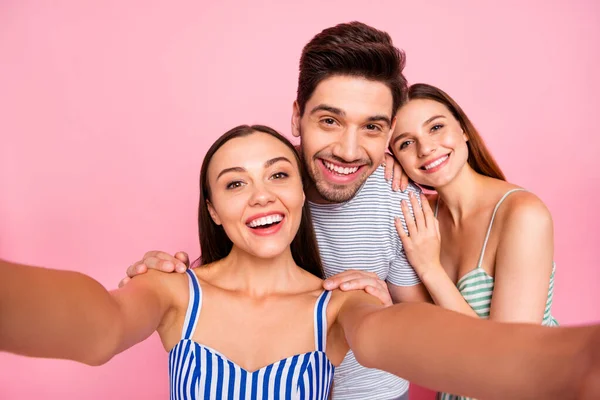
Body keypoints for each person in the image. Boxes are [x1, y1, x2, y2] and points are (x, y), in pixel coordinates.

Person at [2, 125, 600, 400]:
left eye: (279, 175)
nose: (262, 195)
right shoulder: (172, 290)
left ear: (300, 196)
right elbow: (99, 326)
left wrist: (576, 363)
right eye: (235, 184)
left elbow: (409, 341)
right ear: (212, 210)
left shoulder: (342, 302)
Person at [121, 21, 427, 400]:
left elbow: (421, 330)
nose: (349, 151)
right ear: (297, 116)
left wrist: (385, 308)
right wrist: (160, 280)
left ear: (390, 130)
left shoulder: (396, 197)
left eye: (372, 127)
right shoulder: (266, 188)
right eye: (329, 121)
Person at [386, 83, 560, 398]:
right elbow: (421, 334)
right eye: (406, 143)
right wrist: (376, 170)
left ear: (464, 129)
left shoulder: (521, 214)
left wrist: (430, 268)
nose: (425, 149)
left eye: (436, 127)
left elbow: (506, 359)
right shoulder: (419, 217)